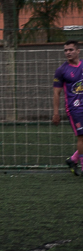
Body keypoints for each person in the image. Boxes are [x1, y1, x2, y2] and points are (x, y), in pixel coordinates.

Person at [52, 40, 83, 176]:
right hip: (75, 109)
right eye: (66, 50)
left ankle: (73, 160)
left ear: (78, 51)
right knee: (82, 137)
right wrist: (56, 113)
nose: (68, 52)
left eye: (71, 50)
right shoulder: (61, 70)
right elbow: (56, 93)